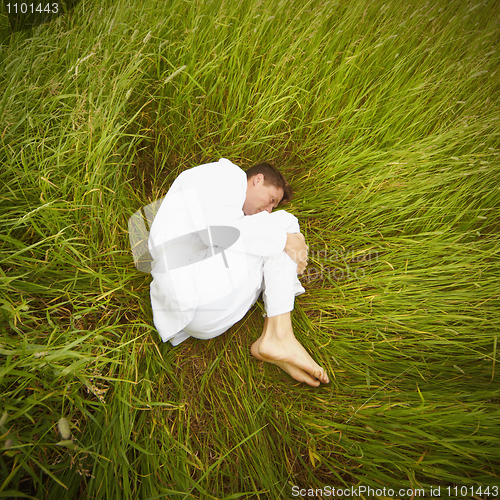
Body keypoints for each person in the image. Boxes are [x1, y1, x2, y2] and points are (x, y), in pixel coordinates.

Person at [148, 158, 328, 387]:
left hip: (206, 316)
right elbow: (221, 232)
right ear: (257, 180)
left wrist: (285, 243)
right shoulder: (227, 174)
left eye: (273, 207)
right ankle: (279, 335)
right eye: (271, 199)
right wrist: (285, 239)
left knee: (276, 234)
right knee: (285, 223)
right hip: (194, 293)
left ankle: (274, 335)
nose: (268, 209)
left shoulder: (236, 215)